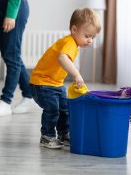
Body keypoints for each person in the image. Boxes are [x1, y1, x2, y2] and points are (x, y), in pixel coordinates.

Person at [29, 8, 101, 149]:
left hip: (55, 84)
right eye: (87, 36)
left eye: (93, 37)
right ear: (74, 30)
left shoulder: (74, 44)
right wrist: (76, 75)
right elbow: (62, 58)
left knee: (65, 108)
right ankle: (47, 136)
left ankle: (63, 134)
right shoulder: (69, 42)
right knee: (53, 109)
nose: (90, 41)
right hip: (42, 83)